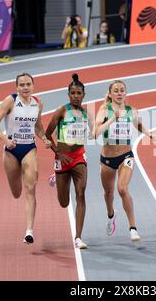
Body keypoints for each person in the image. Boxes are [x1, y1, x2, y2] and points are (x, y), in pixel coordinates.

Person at [0, 72, 51, 244]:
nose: (25, 88)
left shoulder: (38, 103)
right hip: (11, 150)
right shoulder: (10, 100)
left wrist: (44, 138)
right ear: (17, 87)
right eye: (22, 85)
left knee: (30, 188)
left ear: (33, 86)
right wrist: (5, 140)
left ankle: (29, 231)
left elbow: (38, 127)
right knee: (17, 192)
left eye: (28, 84)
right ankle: (18, 192)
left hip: (29, 148)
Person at [93, 80, 154, 242]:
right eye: (116, 91)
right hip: (107, 158)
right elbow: (96, 133)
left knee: (122, 189)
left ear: (125, 93)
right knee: (108, 193)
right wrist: (112, 118)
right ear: (111, 94)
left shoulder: (131, 110)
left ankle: (133, 228)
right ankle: (111, 215)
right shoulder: (104, 110)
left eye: (122, 91)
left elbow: (138, 125)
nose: (119, 93)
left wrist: (148, 133)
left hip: (126, 156)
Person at [45, 74, 94, 249]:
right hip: (61, 158)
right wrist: (57, 151)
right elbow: (47, 133)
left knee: (81, 193)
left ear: (83, 95)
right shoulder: (61, 111)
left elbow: (91, 134)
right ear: (68, 94)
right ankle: (55, 177)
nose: (75, 96)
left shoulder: (86, 114)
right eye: (72, 93)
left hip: (79, 157)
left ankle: (78, 237)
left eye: (78, 93)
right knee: (63, 202)